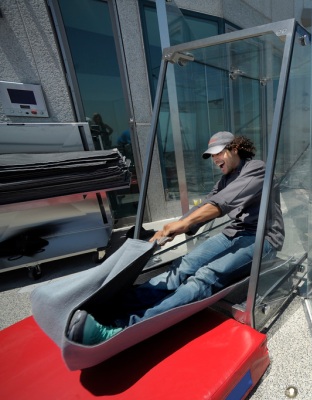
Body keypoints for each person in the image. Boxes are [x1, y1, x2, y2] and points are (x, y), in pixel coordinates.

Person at [68, 131, 284, 345]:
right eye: (212, 156)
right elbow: (207, 203)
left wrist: (184, 224)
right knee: (183, 265)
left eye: (219, 152)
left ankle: (123, 328)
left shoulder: (257, 169)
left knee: (204, 277)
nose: (215, 159)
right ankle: (115, 306)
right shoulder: (225, 179)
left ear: (235, 148)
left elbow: (223, 203)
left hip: (263, 238)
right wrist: (168, 230)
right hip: (235, 233)